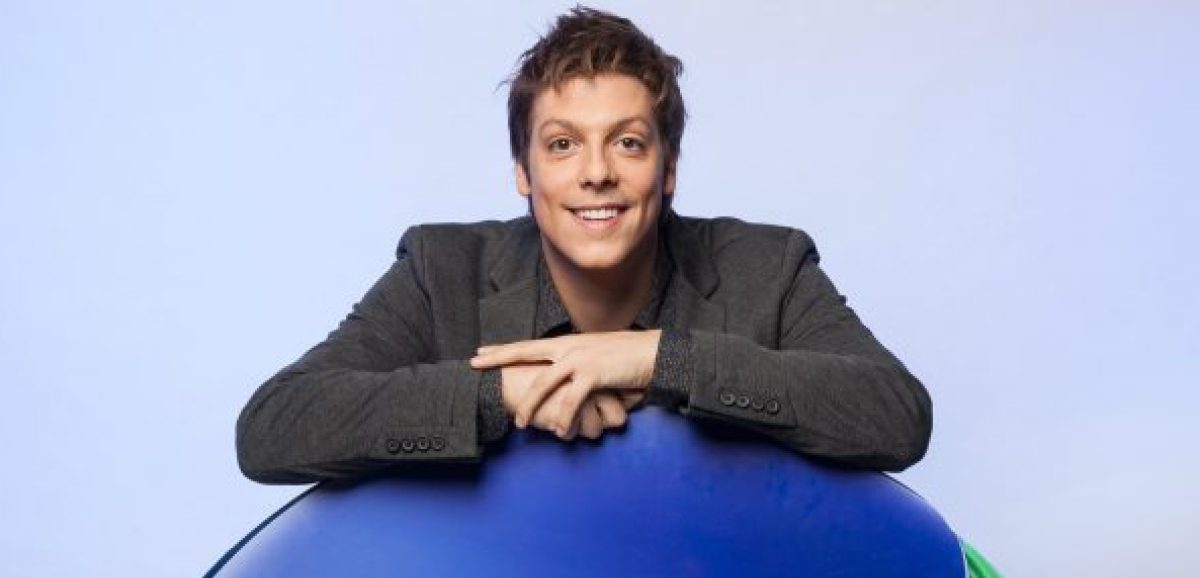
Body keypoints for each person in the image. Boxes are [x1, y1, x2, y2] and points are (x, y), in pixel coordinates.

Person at [236, 6, 932, 485]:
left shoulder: (768, 270)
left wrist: (655, 358)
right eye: (563, 144)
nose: (596, 172)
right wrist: (506, 393)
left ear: (668, 169)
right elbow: (274, 428)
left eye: (627, 142)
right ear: (523, 171)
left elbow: (895, 415)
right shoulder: (439, 271)